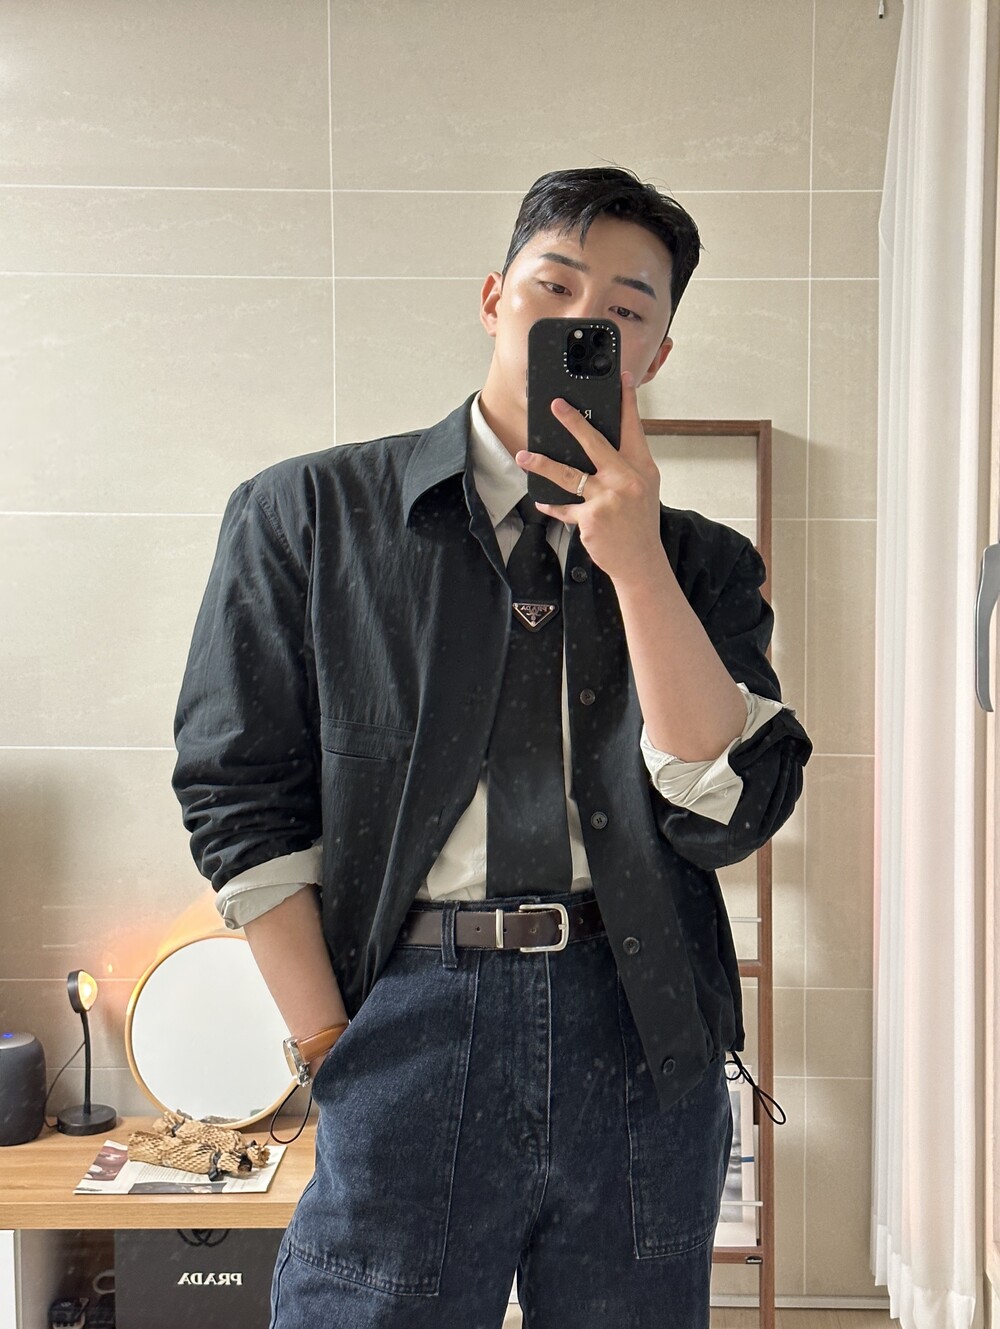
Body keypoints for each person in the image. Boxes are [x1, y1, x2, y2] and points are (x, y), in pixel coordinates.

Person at [172, 165, 812, 1329]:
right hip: (407, 1016)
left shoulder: (701, 562)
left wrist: (634, 561)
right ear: (492, 298)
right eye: (552, 287)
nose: (581, 320)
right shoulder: (305, 516)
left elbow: (727, 810)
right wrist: (329, 1043)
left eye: (624, 310)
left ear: (654, 355)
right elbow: (237, 794)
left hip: (642, 1024)